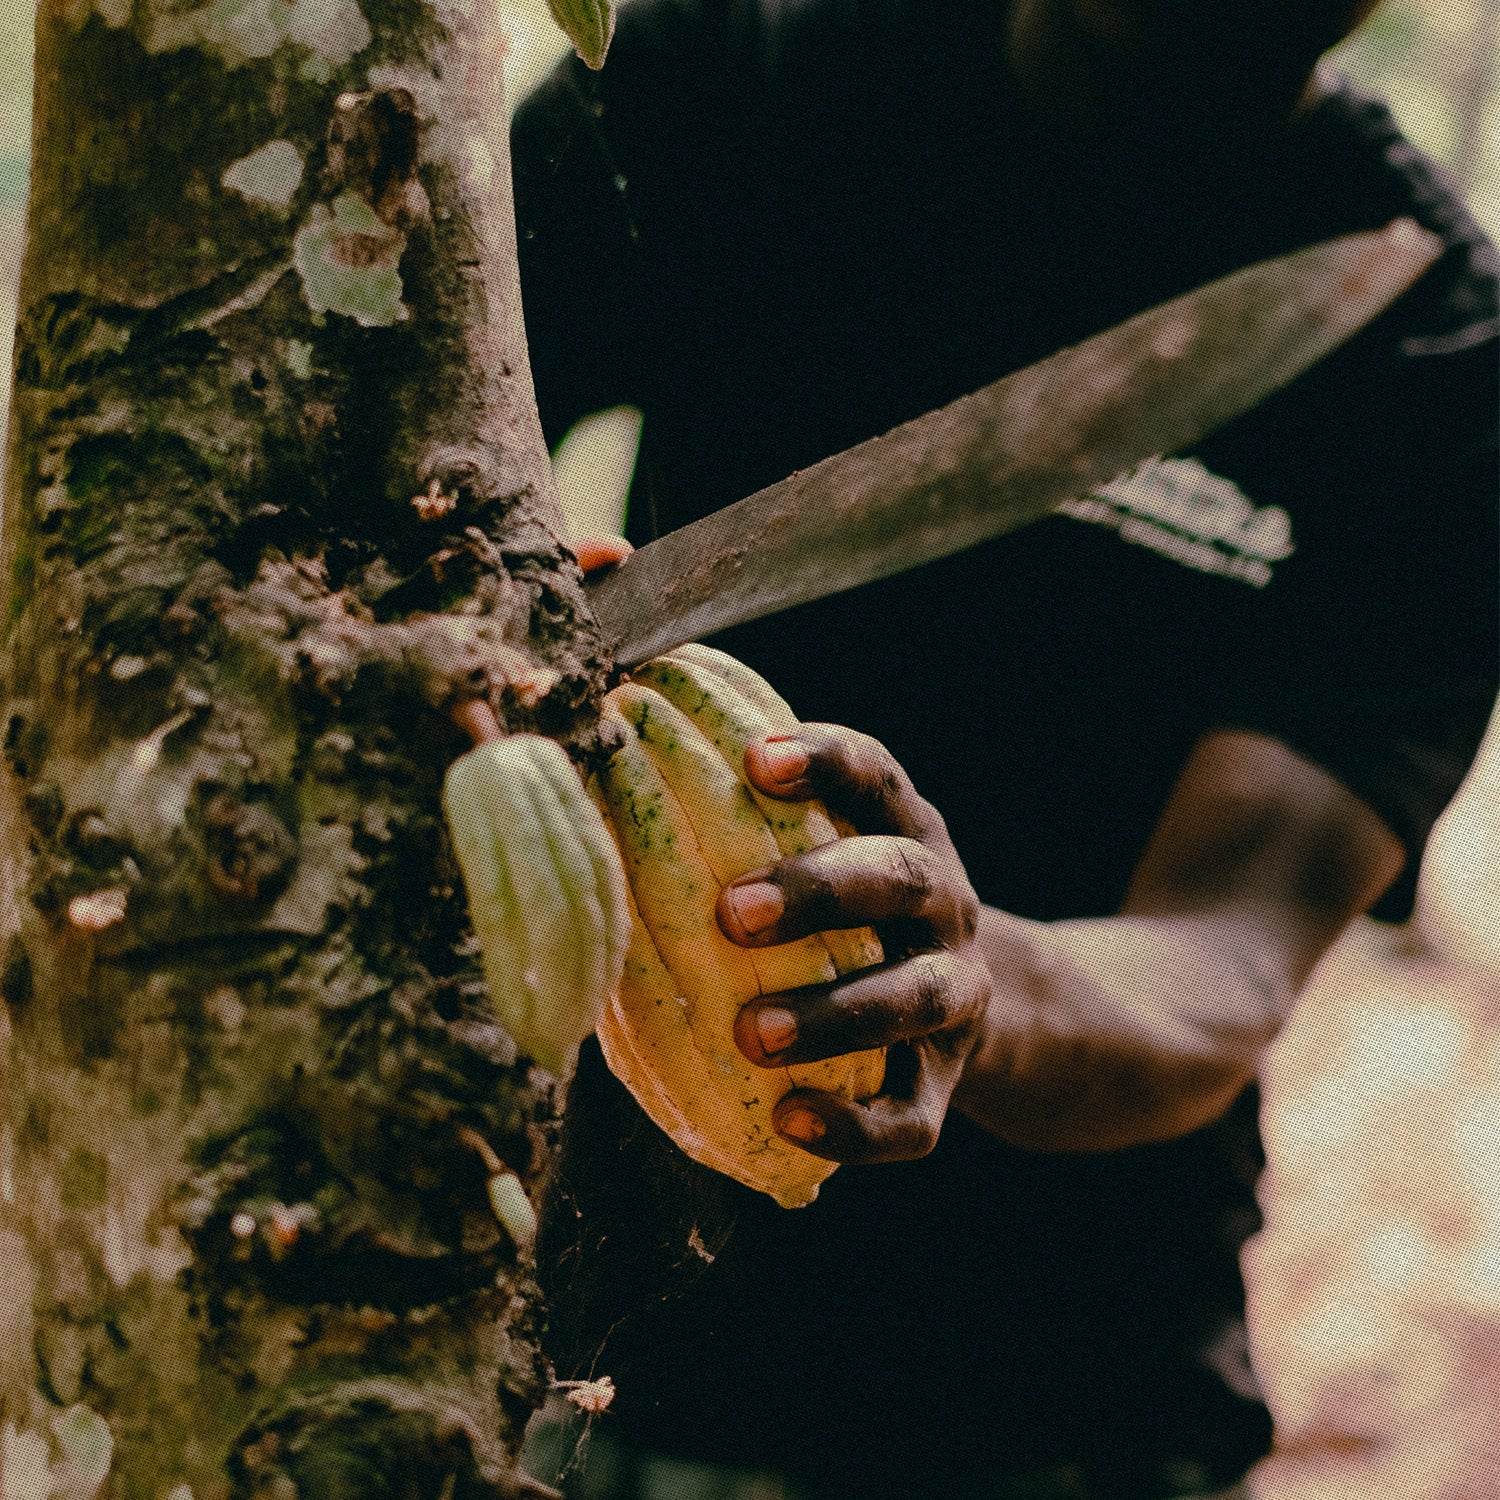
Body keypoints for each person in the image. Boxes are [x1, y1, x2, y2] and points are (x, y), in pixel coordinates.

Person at [511, 2, 1500, 1497]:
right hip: (588, 1334)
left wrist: (985, 973)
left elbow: (1226, 956)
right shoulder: (720, 75)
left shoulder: (1427, 351)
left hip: (1061, 1397)